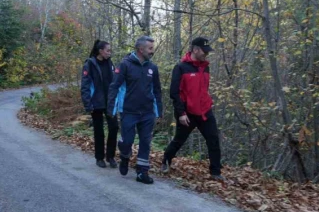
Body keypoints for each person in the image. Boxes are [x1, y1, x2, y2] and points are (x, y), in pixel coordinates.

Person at [162, 37, 224, 181]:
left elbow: (204, 89)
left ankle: (215, 172)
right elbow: (174, 92)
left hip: (205, 111)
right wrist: (181, 113)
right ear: (195, 50)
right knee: (179, 140)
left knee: (213, 139)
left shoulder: (206, 67)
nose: (206, 54)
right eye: (204, 51)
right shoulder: (181, 67)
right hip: (187, 113)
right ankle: (166, 160)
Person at [107, 36, 163, 184]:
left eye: (152, 48)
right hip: (128, 111)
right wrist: (111, 108)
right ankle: (125, 156)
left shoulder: (153, 68)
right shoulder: (125, 65)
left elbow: (157, 90)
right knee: (127, 141)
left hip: (147, 112)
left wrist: (159, 111)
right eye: (150, 48)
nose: (152, 51)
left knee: (145, 141)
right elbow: (114, 86)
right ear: (140, 49)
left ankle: (142, 172)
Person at [81, 40, 119, 169]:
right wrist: (88, 104)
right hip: (96, 103)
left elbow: (115, 82)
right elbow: (85, 85)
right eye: (108, 50)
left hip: (110, 102)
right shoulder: (90, 64)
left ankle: (110, 156)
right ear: (100, 51)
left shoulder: (110, 63)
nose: (109, 52)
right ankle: (99, 158)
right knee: (99, 131)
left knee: (114, 127)